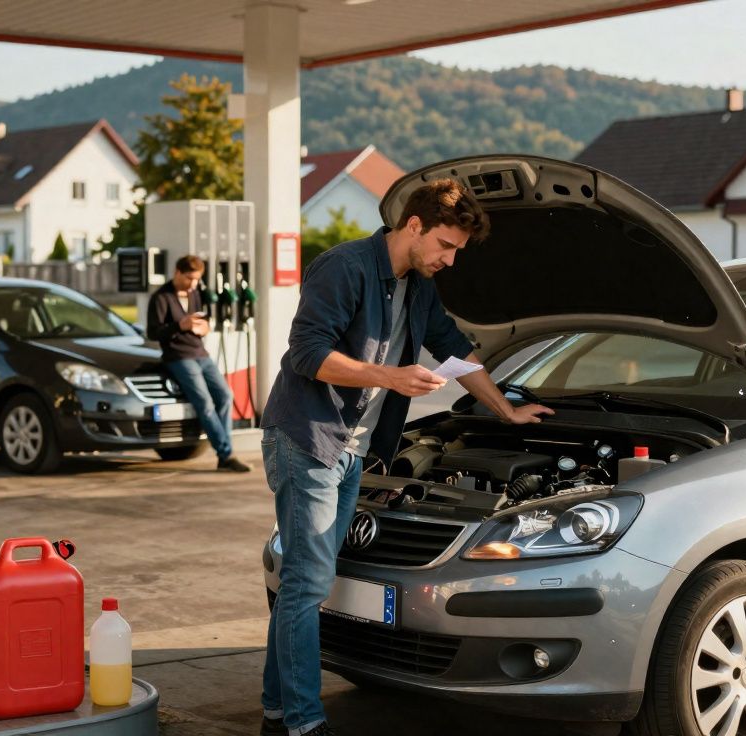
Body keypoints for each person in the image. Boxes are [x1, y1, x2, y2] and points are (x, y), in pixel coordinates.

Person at [258, 179, 554, 736]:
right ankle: (302, 722)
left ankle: (278, 714)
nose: (449, 258)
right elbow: (306, 354)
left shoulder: (418, 288)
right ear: (413, 225)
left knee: (305, 581)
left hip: (354, 449)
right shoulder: (343, 267)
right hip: (307, 439)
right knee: (309, 584)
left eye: (457, 251)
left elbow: (457, 351)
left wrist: (506, 412)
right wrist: (389, 375)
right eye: (445, 244)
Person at [147, 254, 251, 472]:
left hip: (201, 353)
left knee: (225, 396)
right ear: (177, 272)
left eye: (196, 279)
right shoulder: (161, 298)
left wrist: (203, 327)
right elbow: (153, 332)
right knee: (204, 403)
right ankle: (226, 453)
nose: (192, 284)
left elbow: (202, 319)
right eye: (188, 279)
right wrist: (179, 326)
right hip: (179, 357)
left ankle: (225, 453)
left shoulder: (195, 294)